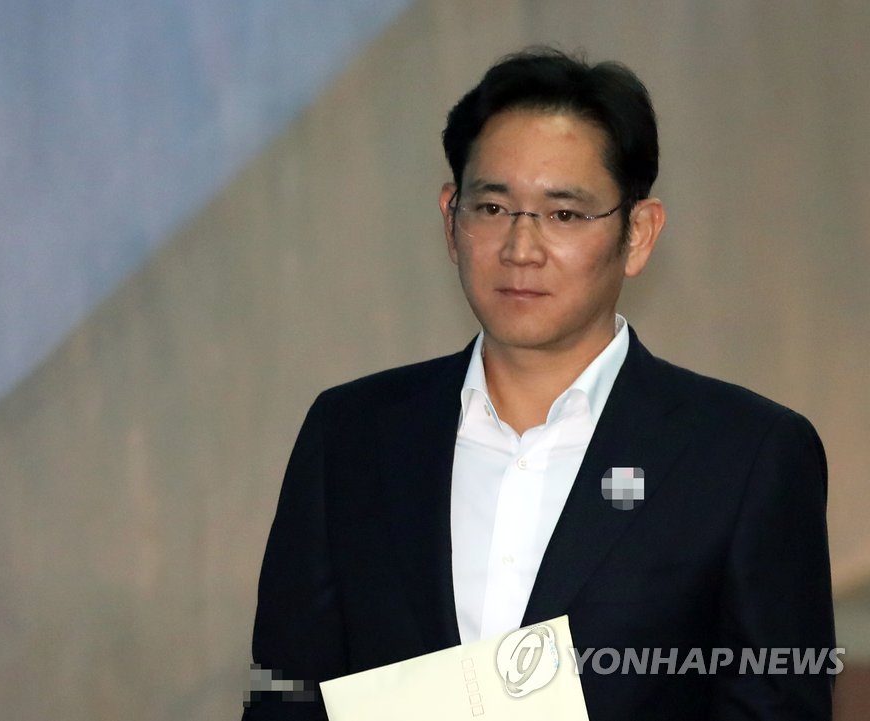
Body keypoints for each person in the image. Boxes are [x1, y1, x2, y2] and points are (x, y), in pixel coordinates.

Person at [243, 47, 835, 721]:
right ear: (451, 219)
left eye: (564, 215)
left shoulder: (744, 455)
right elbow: (285, 692)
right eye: (493, 207)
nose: (520, 249)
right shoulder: (351, 433)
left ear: (639, 233)